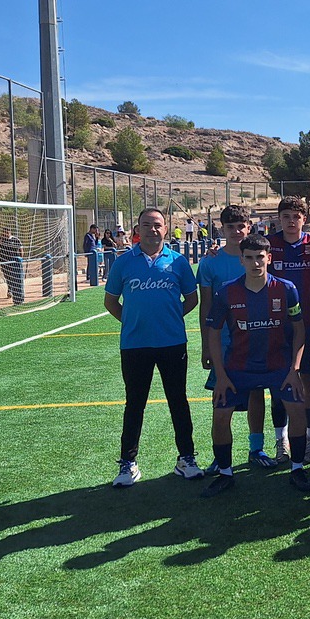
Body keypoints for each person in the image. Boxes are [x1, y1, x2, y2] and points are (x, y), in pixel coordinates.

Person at [103, 207, 202, 487]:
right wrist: (134, 321)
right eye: (146, 225)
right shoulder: (123, 263)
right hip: (135, 345)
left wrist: (168, 318)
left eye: (157, 225)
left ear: (166, 229)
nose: (152, 230)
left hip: (172, 343)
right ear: (137, 229)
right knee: (135, 404)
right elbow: (111, 302)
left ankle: (186, 458)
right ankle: (128, 464)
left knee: (178, 401)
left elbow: (191, 300)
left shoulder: (178, 261)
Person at [201, 234, 305, 496]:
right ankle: (225, 473)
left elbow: (299, 329)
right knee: (221, 415)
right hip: (238, 368)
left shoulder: (286, 289)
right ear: (241, 260)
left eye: (260, 257)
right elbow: (213, 332)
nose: (256, 263)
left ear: (269, 258)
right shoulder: (226, 291)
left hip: (278, 365)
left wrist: (294, 369)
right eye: (249, 258)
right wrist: (221, 375)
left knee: (297, 410)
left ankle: (297, 469)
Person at [197, 204, 286, 471]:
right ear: (221, 229)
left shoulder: (260, 252)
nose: (236, 231)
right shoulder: (210, 261)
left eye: (241, 226)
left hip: (257, 341)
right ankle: (220, 456)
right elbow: (205, 307)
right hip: (223, 344)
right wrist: (205, 346)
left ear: (249, 227)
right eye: (230, 227)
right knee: (220, 399)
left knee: (256, 394)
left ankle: (255, 448)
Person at [266, 196, 310, 463]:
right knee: (278, 384)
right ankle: (281, 442)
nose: (291, 221)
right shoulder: (270, 244)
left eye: (297, 217)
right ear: (279, 219)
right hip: (275, 325)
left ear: (305, 219)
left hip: (309, 322)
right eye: (286, 217)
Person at [0, 227, 25, 304]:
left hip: (14, 262)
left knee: (15, 277)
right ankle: (10, 289)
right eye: (4, 233)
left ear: (9, 232)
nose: (5, 234)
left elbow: (21, 249)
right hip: (4, 261)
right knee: (7, 276)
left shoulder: (15, 239)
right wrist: (0, 242)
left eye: (7, 233)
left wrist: (21, 258)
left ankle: (12, 291)